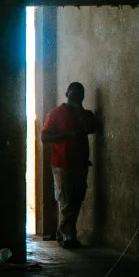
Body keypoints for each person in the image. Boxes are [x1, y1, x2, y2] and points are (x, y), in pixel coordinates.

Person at [40, 82, 99, 249]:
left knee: (77, 200)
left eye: (80, 92)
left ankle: (63, 233)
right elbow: (45, 137)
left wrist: (80, 113)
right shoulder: (55, 114)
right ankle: (67, 236)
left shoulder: (85, 114)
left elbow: (92, 127)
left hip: (80, 163)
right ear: (67, 93)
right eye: (73, 91)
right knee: (66, 200)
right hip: (62, 164)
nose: (76, 94)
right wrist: (66, 135)